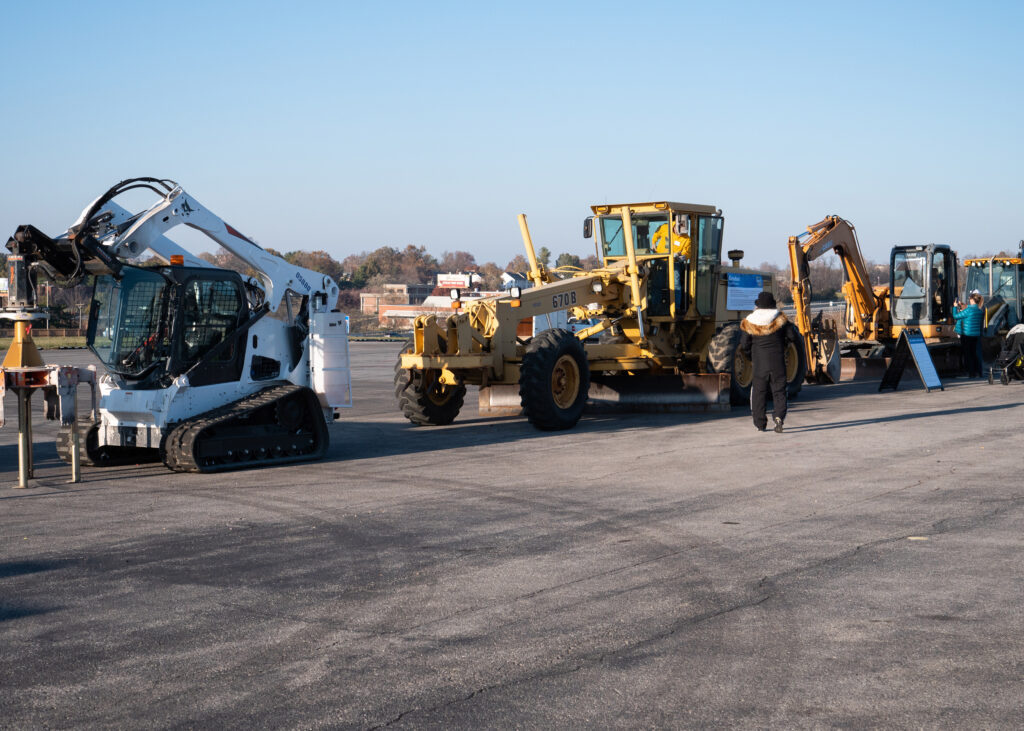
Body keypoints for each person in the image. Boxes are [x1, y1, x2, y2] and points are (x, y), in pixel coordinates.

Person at [740, 291, 798, 433]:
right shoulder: (780, 319)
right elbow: (792, 336)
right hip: (778, 362)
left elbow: (744, 345)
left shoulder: (750, 321)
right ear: (772, 304)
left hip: (759, 364)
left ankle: (760, 424)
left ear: (758, 306)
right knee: (779, 391)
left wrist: (751, 356)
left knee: (759, 393)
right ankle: (779, 417)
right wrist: (784, 345)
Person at [952, 292, 985, 377]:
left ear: (972, 300)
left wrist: (955, 307)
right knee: (974, 354)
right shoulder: (979, 310)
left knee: (968, 354)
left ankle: (971, 373)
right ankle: (977, 372)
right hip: (976, 335)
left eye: (970, 299)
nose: (969, 300)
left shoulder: (968, 310)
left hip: (967, 335)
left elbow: (955, 316)